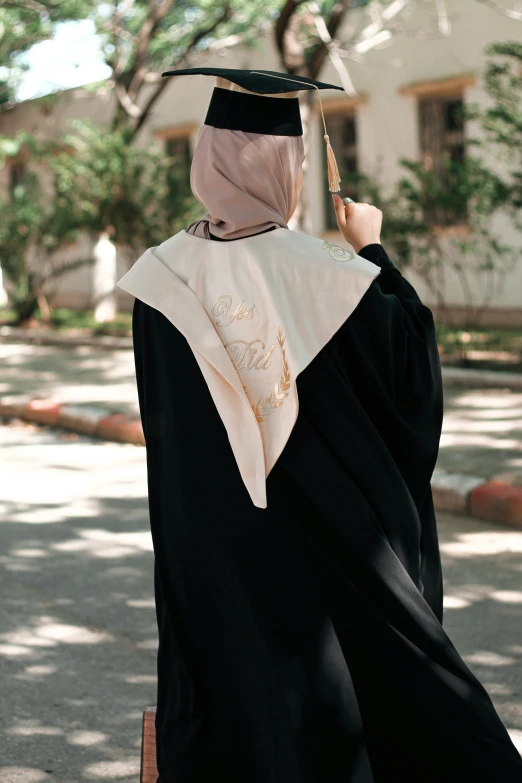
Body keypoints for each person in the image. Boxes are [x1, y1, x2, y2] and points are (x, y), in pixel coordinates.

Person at [118, 68, 522, 783]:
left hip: (211, 553)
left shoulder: (158, 281)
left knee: (239, 707)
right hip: (325, 551)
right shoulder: (333, 276)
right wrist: (372, 250)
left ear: (205, 160)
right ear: (286, 167)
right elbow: (408, 383)